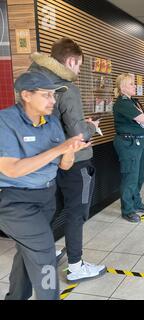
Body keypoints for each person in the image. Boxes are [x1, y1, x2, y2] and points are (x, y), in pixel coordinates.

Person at [0, 71, 90, 300]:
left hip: (46, 197)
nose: (53, 101)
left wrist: (71, 149)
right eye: (47, 95)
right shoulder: (5, 121)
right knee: (46, 254)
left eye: (54, 95)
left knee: (28, 253)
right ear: (26, 96)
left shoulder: (51, 122)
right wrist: (60, 149)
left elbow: (65, 166)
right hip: (14, 202)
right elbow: (11, 169)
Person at [28, 37, 106, 282]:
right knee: (76, 211)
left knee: (51, 208)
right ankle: (76, 265)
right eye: (79, 65)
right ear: (71, 61)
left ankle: (46, 253)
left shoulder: (32, 83)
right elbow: (78, 132)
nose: (79, 70)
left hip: (45, 161)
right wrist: (91, 127)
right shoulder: (66, 88)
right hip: (75, 162)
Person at [113, 73, 144, 223]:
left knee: (138, 176)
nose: (134, 86)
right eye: (131, 84)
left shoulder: (133, 102)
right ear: (123, 87)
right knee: (130, 177)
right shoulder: (123, 102)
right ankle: (128, 210)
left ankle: (136, 203)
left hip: (139, 142)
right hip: (128, 144)